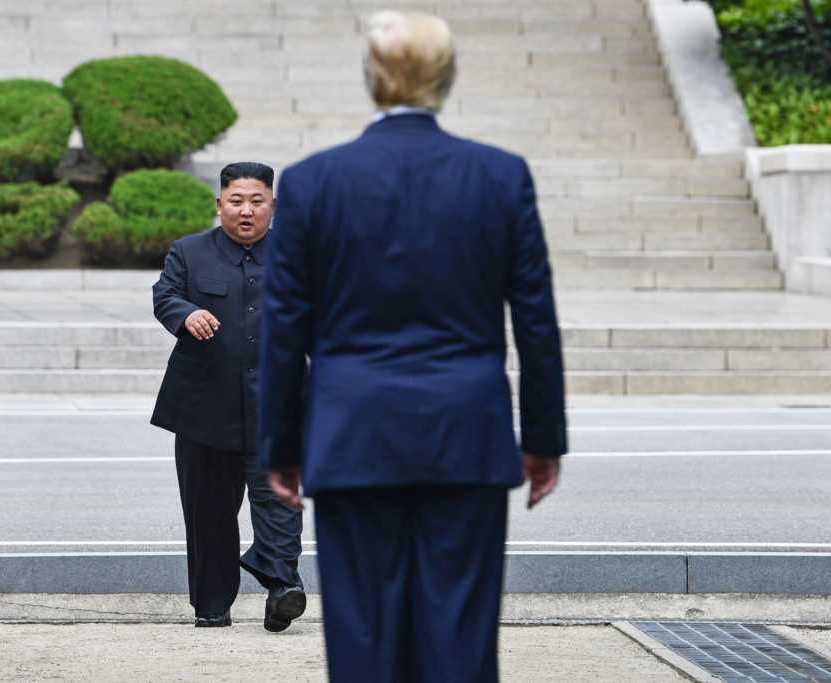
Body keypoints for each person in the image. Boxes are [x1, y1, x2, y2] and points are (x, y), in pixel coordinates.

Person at [257, 11, 566, 681]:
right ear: (446, 79)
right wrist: (543, 437)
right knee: (461, 636)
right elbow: (535, 319)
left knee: (363, 636)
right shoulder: (499, 175)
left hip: (353, 429)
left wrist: (280, 448)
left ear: (371, 80)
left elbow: (285, 330)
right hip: (467, 428)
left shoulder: (312, 182)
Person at [152, 161, 306, 631]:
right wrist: (184, 313)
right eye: (236, 200)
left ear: (272, 206)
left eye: (256, 201)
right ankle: (212, 605)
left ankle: (283, 589)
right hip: (203, 407)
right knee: (208, 513)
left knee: (280, 503)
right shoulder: (189, 251)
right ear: (220, 204)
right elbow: (165, 295)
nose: (246, 210)